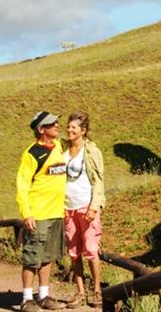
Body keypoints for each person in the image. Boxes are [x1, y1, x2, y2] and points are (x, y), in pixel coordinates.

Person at [16, 111, 68, 311]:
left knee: (49, 256)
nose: (57, 125)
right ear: (41, 129)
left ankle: (44, 295)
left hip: (56, 213)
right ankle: (26, 299)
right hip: (38, 214)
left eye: (56, 121)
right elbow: (22, 184)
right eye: (52, 123)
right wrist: (26, 213)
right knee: (32, 258)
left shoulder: (58, 146)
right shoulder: (32, 154)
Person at [63, 111, 106, 309]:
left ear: (83, 131)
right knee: (73, 252)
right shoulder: (62, 150)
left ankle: (96, 289)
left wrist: (94, 207)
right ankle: (80, 291)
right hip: (68, 208)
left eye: (74, 127)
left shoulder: (91, 151)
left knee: (90, 249)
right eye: (69, 126)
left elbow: (98, 181)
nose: (70, 130)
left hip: (86, 207)